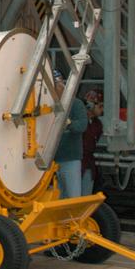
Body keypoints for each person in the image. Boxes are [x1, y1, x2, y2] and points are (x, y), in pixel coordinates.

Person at [53, 68, 88, 200]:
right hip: (52, 161)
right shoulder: (48, 106)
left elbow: (82, 125)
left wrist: (68, 123)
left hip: (70, 159)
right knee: (56, 198)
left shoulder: (75, 104)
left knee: (73, 197)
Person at [81, 88, 104, 195]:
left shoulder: (97, 124)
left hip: (88, 166)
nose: (102, 110)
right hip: (80, 164)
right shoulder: (80, 121)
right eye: (100, 106)